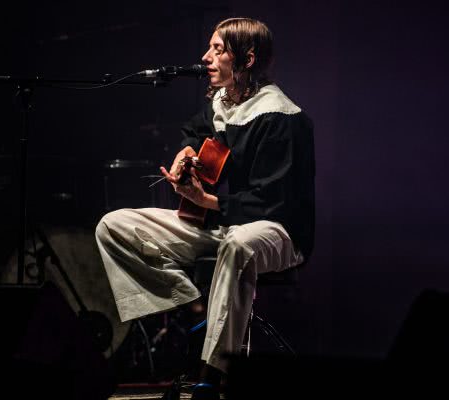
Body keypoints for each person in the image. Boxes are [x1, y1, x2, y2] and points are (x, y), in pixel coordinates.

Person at [95, 17, 315, 399]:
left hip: (277, 230)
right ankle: (196, 308)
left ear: (246, 59)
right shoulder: (222, 102)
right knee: (114, 226)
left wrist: (206, 201)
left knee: (239, 245)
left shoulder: (282, 118)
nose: (205, 57)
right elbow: (198, 131)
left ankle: (212, 374)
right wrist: (186, 152)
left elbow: (271, 202)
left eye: (217, 50)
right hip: (224, 222)